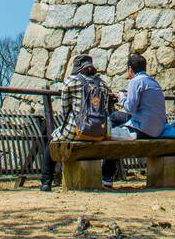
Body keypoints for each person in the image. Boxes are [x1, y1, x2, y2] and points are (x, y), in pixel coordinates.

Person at [40, 53, 115, 192]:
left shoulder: (71, 81)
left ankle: (46, 181)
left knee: (52, 143)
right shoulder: (103, 84)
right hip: (100, 132)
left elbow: (65, 108)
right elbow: (104, 108)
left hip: (76, 130)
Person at [101, 52, 166, 188]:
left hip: (144, 128)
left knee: (112, 135)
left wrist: (121, 97)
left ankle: (107, 176)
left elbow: (130, 108)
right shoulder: (152, 81)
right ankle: (110, 172)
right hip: (158, 128)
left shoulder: (135, 82)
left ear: (130, 68)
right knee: (115, 118)